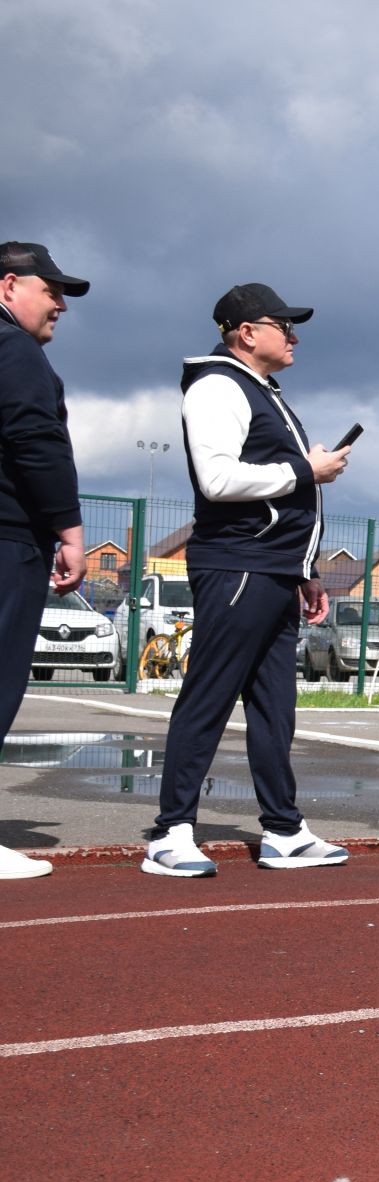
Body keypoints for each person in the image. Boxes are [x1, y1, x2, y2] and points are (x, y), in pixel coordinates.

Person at [142, 284, 352, 877]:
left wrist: (305, 571)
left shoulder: (259, 389)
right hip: (238, 565)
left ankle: (283, 830)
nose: (294, 335)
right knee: (209, 696)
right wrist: (304, 469)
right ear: (246, 332)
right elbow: (217, 480)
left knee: (273, 706)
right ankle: (170, 832)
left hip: (273, 570)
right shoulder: (217, 386)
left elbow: (275, 493)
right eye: (284, 325)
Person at [0, 242, 91, 881]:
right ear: (9, 286)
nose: (60, 303)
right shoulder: (15, 349)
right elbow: (35, 439)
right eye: (50, 290)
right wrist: (70, 530)